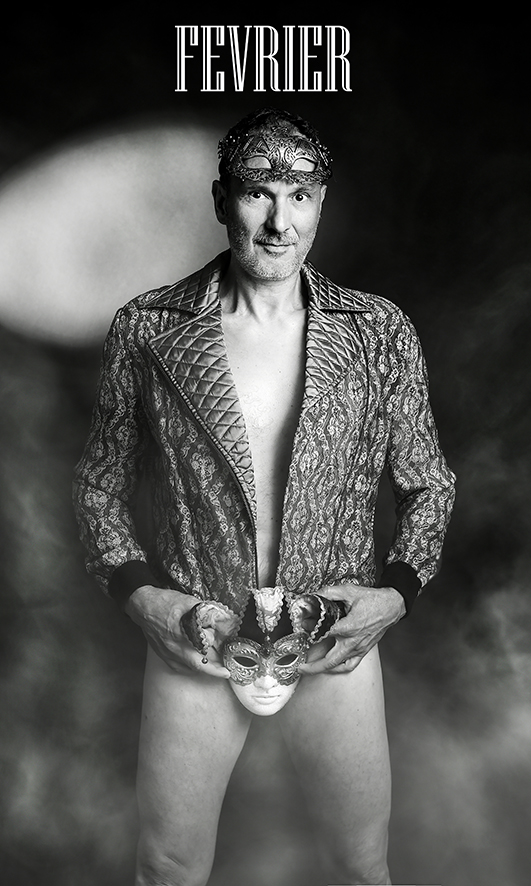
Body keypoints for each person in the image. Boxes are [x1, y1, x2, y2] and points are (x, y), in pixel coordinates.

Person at [73, 107, 455, 886]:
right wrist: (143, 598)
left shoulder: (378, 330)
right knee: (167, 868)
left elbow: (429, 483)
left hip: (332, 633)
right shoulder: (146, 329)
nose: (280, 223)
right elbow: (98, 485)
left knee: (359, 868)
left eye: (300, 196)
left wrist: (394, 595)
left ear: (321, 203)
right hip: (199, 630)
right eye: (258, 194)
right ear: (222, 200)